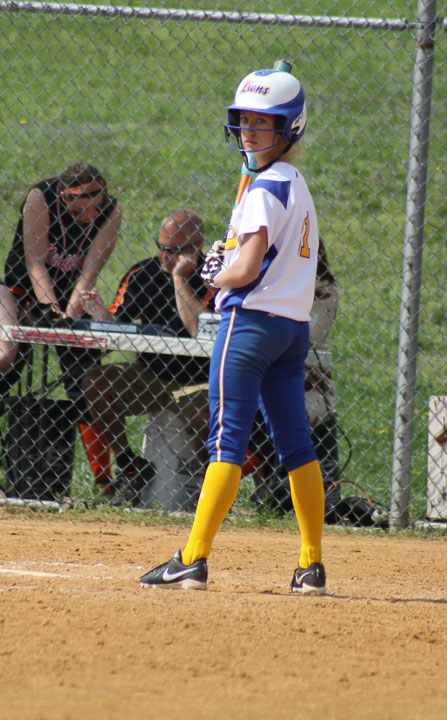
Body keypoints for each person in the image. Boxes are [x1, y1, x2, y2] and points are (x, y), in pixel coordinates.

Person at [140, 68, 326, 595]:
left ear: (289, 128)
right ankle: (310, 565)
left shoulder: (263, 189)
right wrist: (233, 259)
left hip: (249, 326)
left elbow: (244, 269)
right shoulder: (295, 183)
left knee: (226, 440)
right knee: (296, 445)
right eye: (245, 120)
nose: (250, 131)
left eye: (264, 123)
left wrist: (215, 273)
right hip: (291, 329)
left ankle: (191, 559)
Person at [0, 162, 122, 489]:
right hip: (19, 290)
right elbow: (35, 263)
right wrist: (50, 310)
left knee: (86, 380)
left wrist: (66, 318)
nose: (91, 216)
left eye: (96, 207)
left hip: (71, 298)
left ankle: (109, 478)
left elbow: (89, 272)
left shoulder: (112, 210)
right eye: (82, 209)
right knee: (7, 358)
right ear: (65, 198)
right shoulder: (41, 197)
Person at [79, 208, 212, 505]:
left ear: (196, 248)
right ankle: (129, 465)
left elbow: (202, 329)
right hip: (150, 375)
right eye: (161, 246)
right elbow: (118, 325)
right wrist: (102, 315)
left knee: (206, 420)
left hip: (199, 381)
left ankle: (213, 488)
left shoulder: (213, 276)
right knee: (95, 381)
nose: (165, 256)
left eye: (174, 250)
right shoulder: (142, 274)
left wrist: (179, 278)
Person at [249, 244, 342, 519]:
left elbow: (305, 335)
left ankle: (308, 496)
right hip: (268, 377)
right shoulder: (268, 286)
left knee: (286, 411)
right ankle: (268, 491)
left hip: (309, 386)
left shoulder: (324, 290)